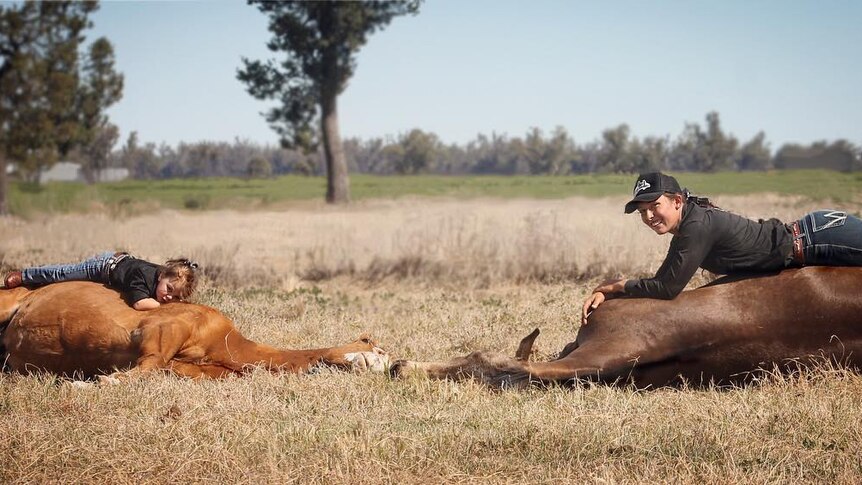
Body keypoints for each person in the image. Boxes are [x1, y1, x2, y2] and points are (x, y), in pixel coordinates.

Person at [581, 172, 862, 325]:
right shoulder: (688, 225)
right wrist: (615, 295)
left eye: (655, 206)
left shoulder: (696, 226)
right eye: (642, 211)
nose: (648, 217)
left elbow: (667, 288)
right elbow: (661, 283)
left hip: (820, 238)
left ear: (677, 201)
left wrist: (615, 286)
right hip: (814, 231)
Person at [3, 251, 198, 311]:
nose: (168, 296)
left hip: (122, 262)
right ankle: (26, 275)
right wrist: (164, 307)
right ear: (161, 275)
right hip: (103, 266)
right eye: (169, 289)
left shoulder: (163, 278)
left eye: (174, 296)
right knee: (62, 274)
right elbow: (139, 304)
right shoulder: (142, 277)